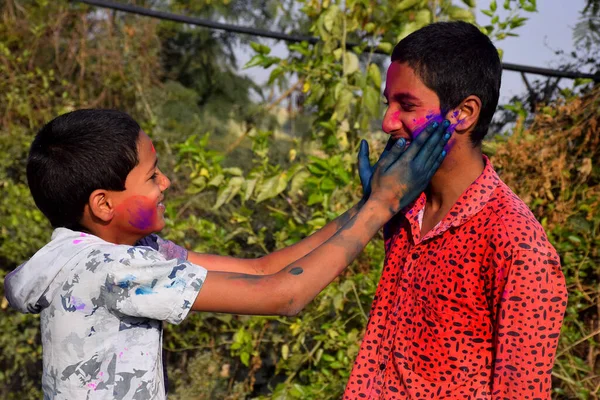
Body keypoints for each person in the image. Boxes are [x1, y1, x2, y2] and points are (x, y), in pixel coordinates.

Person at [4, 108, 451, 399]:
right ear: (103, 204)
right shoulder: (110, 269)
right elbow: (284, 296)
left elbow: (264, 269)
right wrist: (382, 207)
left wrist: (364, 206)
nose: (166, 184)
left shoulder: (121, 251)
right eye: (152, 176)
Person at [347, 21, 568, 399]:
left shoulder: (517, 246)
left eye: (407, 105)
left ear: (463, 113)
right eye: (388, 103)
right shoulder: (405, 203)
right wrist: (374, 207)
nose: (386, 122)